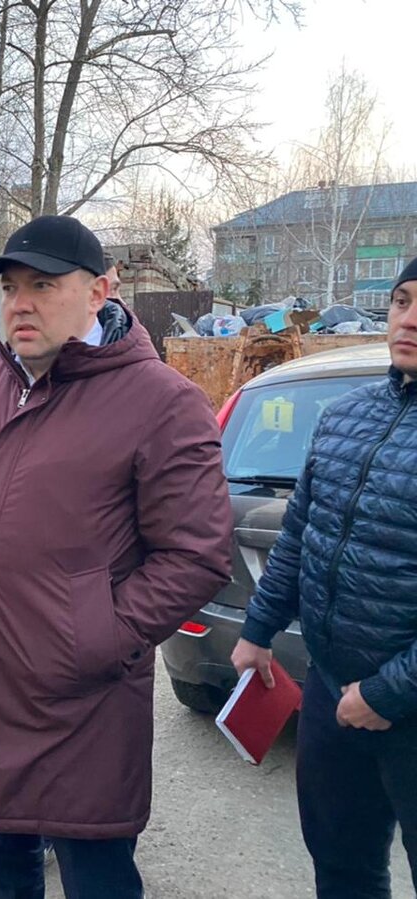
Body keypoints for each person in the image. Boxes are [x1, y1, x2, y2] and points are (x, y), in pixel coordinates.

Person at [0, 215, 232, 899]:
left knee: (96, 880)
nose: (20, 303)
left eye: (42, 285)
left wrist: (97, 634)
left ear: (99, 291)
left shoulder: (161, 401)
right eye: (10, 287)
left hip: (83, 705)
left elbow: (197, 554)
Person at [231, 257, 417, 898]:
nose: (410, 319)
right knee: (341, 867)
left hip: (404, 704)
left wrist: (388, 693)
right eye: (402, 300)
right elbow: (300, 534)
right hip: (331, 688)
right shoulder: (344, 416)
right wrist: (258, 628)